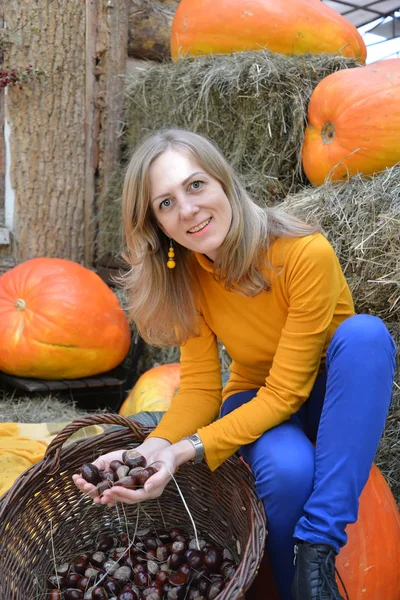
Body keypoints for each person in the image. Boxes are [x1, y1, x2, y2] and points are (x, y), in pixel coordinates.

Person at [73, 129, 396, 600]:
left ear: (224, 182)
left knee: (365, 335)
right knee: (286, 472)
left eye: (195, 185)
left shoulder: (304, 253)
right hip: (259, 401)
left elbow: (291, 390)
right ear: (157, 226)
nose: (187, 210)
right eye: (165, 204)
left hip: (331, 395)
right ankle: (298, 592)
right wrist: (150, 451)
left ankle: (317, 547)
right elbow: (203, 390)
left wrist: (186, 451)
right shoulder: (187, 278)